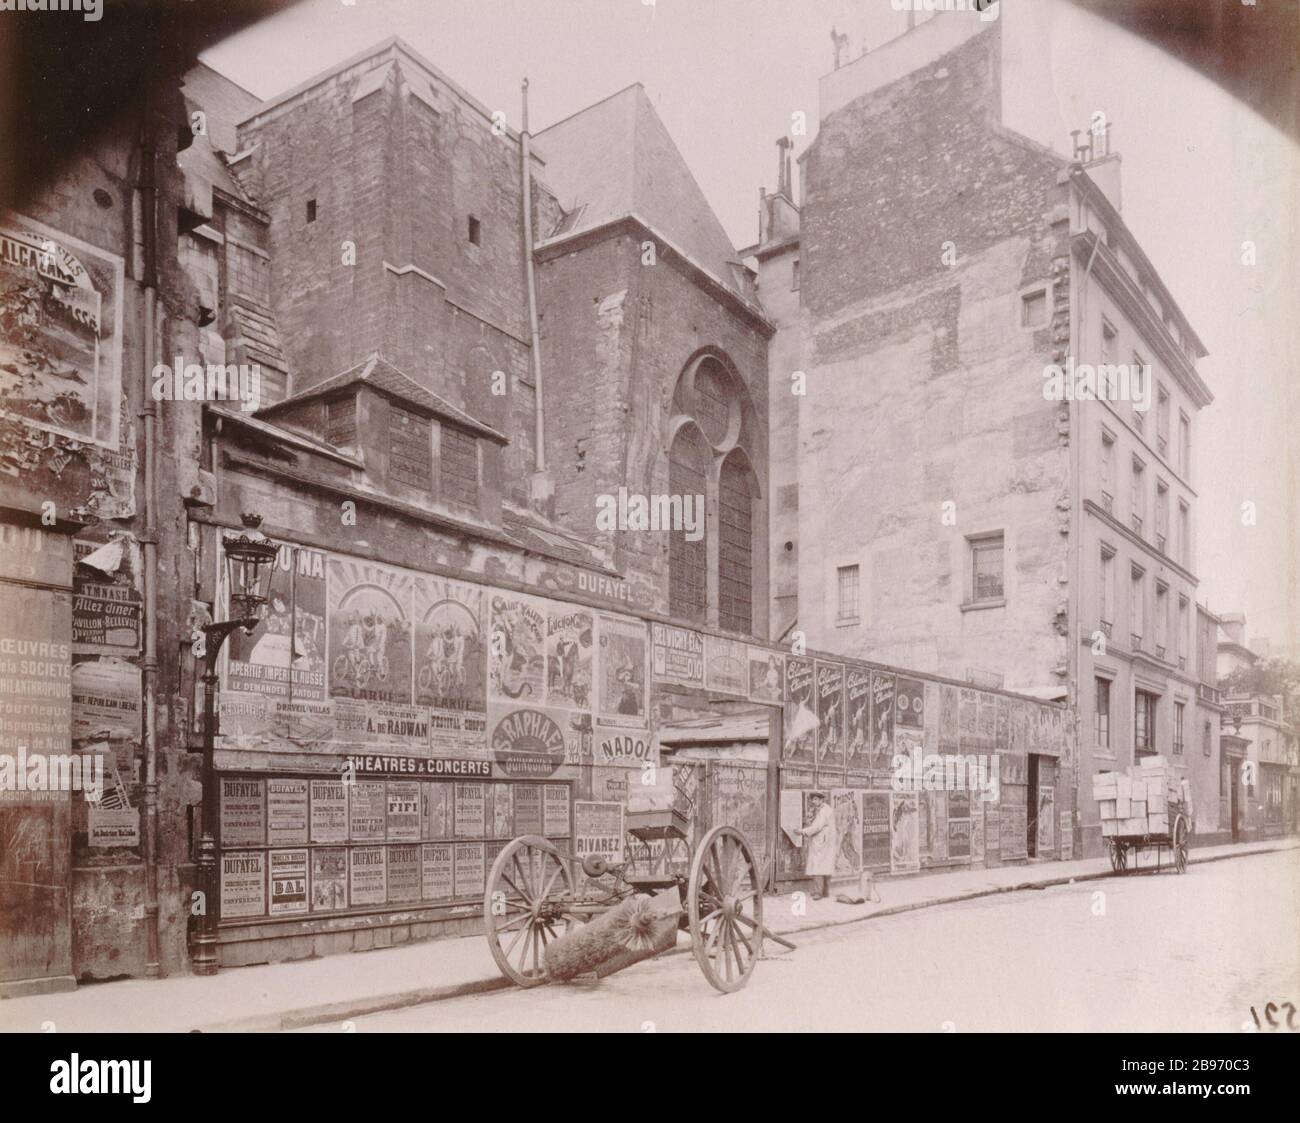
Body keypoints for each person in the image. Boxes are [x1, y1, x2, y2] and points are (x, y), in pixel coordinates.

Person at [794, 791, 836, 900]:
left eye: (816, 799)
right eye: (813, 799)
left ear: (822, 800)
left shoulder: (824, 811)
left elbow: (817, 827)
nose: (814, 801)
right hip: (825, 841)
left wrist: (802, 831)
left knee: (818, 866)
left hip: (822, 842)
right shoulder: (825, 809)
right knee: (825, 865)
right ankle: (825, 891)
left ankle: (818, 892)